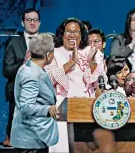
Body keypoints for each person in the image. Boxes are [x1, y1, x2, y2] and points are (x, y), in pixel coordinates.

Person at [45, 18, 106, 153]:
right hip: (62, 108)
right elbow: (49, 79)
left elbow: (98, 80)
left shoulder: (91, 51)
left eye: (76, 32)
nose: (72, 35)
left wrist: (90, 62)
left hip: (86, 106)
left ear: (81, 34)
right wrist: (72, 62)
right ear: (62, 34)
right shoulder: (53, 53)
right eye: (68, 31)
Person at [10, 33, 58, 153]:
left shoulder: (29, 68)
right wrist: (48, 109)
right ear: (48, 55)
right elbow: (26, 106)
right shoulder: (31, 74)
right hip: (30, 140)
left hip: (34, 138)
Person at [2, 8, 41, 146]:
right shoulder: (14, 42)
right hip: (18, 87)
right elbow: (6, 70)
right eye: (29, 20)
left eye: (35, 20)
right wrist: (23, 64)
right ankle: (11, 135)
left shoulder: (46, 41)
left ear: (39, 23)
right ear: (22, 23)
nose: (32, 23)